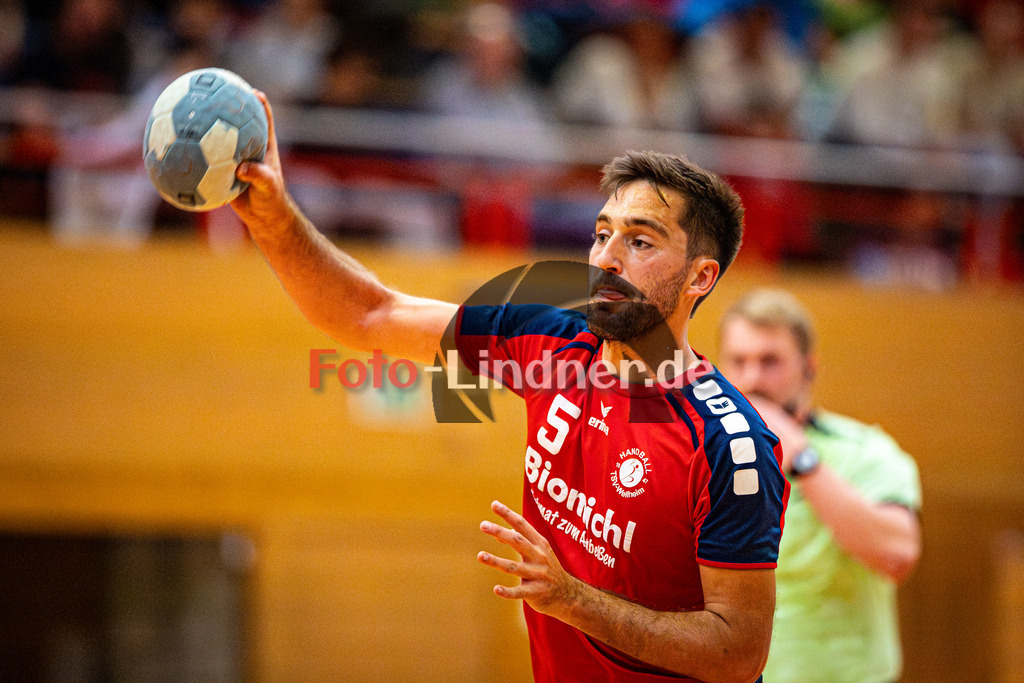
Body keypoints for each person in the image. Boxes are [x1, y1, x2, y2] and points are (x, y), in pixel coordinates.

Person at [229, 92, 789, 682]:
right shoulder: (551, 342)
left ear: (701, 276)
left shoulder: (732, 445)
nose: (607, 258)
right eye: (602, 234)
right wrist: (271, 217)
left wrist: (573, 600)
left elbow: (738, 653)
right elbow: (369, 314)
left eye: (640, 242)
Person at [717, 289, 922, 683]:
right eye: (738, 362)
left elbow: (897, 554)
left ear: (808, 367)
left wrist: (801, 458)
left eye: (770, 361)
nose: (751, 378)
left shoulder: (866, 451)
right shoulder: (706, 457)